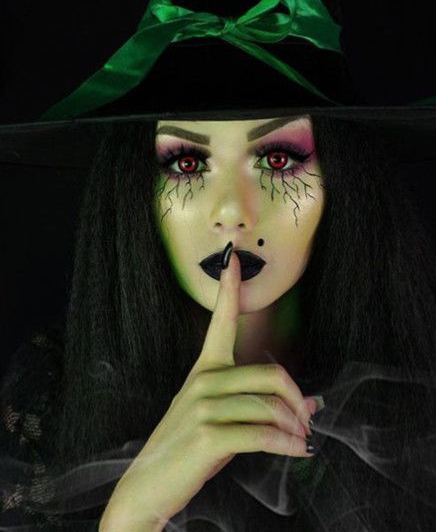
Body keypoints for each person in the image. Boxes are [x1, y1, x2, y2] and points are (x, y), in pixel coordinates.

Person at [1, 112, 435, 531]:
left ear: (341, 179)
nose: (231, 211)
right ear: (136, 188)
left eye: (277, 160)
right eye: (187, 164)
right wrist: (131, 519)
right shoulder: (48, 393)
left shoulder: (422, 384)